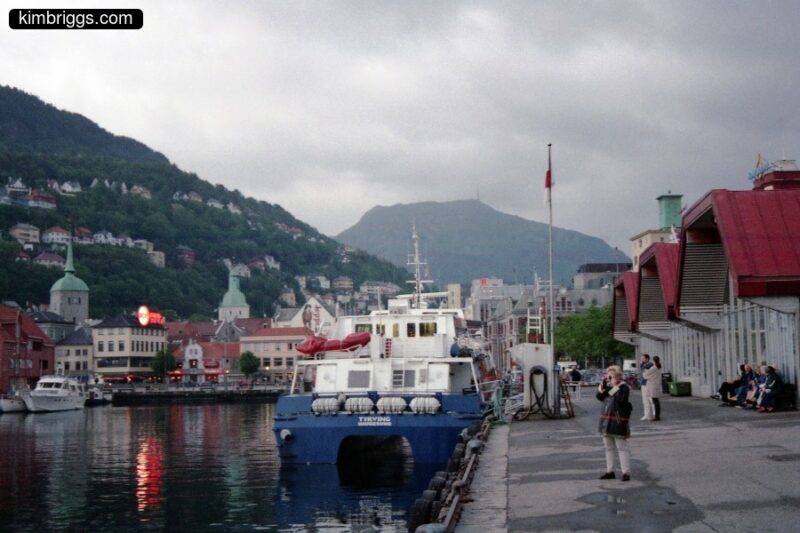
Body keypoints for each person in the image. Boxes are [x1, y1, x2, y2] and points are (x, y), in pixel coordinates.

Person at [596, 365, 632, 481]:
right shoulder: (608, 387)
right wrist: (604, 386)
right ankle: (609, 471)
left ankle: (626, 472)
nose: (609, 377)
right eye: (608, 375)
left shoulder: (623, 387)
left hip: (617, 421)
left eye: (611, 375)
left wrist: (615, 386)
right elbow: (599, 397)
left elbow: (622, 399)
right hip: (606, 420)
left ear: (618, 375)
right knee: (608, 448)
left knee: (621, 447)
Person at [643, 356, 663, 421]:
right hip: (656, 384)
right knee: (656, 400)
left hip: (652, 385)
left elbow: (645, 375)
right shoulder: (659, 366)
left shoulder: (653, 368)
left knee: (655, 401)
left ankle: (656, 416)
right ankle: (657, 415)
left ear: (653, 360)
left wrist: (645, 369)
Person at [639, 354, 653, 420]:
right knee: (645, 400)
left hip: (648, 384)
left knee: (650, 399)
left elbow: (644, 368)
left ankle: (653, 414)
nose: (641, 360)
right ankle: (646, 415)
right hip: (643, 384)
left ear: (647, 359)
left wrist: (642, 364)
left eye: (643, 358)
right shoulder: (643, 365)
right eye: (641, 358)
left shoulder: (650, 364)